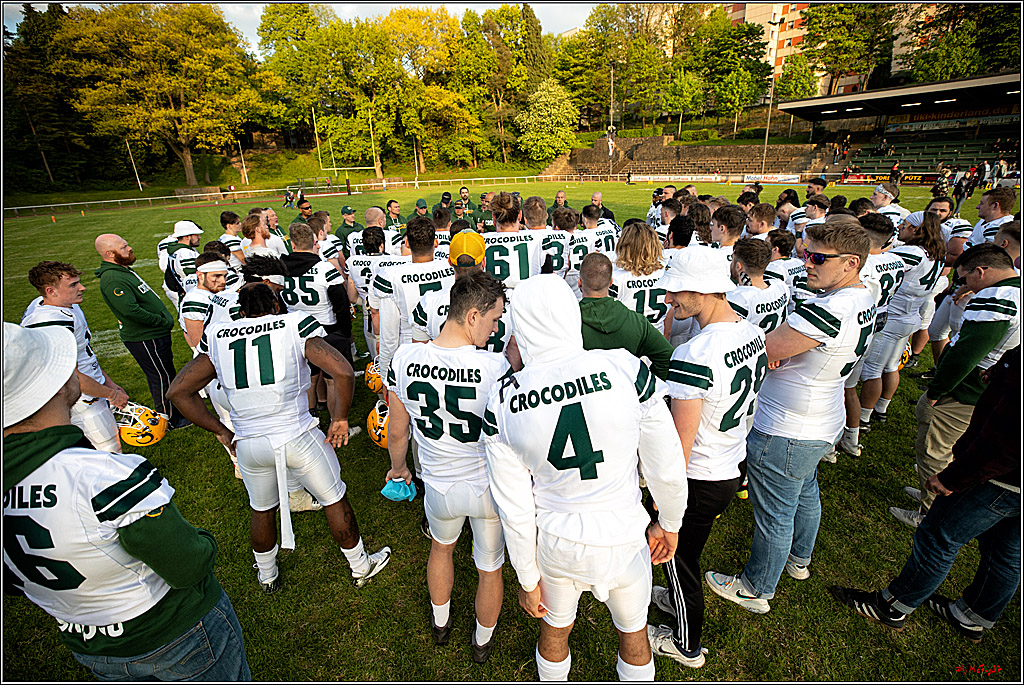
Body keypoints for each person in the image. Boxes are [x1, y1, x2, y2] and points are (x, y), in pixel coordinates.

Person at [3, 322, 250, 681]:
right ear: (50, 386)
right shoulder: (103, 476)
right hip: (172, 632)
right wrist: (206, 540)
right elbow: (188, 564)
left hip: (90, 644)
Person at [482, 274, 688, 681]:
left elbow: (515, 506)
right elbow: (664, 459)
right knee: (634, 632)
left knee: (555, 630)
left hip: (557, 540)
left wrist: (526, 575)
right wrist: (671, 521)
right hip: (623, 534)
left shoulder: (504, 399)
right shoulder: (625, 367)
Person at [167, 282, 391, 591]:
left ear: (241, 311)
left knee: (262, 508)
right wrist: (339, 418)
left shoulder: (218, 334)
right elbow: (340, 369)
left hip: (249, 442)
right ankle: (360, 565)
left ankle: (267, 574)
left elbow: (178, 391)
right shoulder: (294, 322)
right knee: (334, 499)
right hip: (296, 434)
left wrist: (221, 430)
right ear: (276, 305)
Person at [705, 222, 875, 614]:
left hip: (789, 424)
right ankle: (800, 559)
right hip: (822, 413)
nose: (806, 264)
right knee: (804, 489)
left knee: (775, 512)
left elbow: (765, 347)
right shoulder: (862, 293)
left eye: (817, 257)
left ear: (850, 263)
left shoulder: (830, 309)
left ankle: (756, 587)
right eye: (804, 253)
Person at [830, 345, 1019, 642]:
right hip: (1009, 478)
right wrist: (1004, 369)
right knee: (1005, 549)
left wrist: (956, 477)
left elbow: (1008, 439)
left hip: (1001, 479)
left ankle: (893, 606)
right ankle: (973, 614)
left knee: (938, 534)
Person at [648, 246, 768, 669]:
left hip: (701, 473)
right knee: (687, 555)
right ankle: (674, 599)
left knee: (678, 557)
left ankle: (686, 644)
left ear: (702, 290)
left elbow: (679, 448)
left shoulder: (694, 354)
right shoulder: (750, 332)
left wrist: (666, 512)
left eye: (675, 292)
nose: (668, 300)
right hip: (731, 460)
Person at [385, 271, 510, 663]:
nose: (494, 330)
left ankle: (441, 625)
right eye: (493, 320)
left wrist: (399, 468)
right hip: (486, 487)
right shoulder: (495, 367)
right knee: (489, 569)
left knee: (441, 549)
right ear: (472, 316)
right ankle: (482, 642)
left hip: (437, 483)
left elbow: (397, 428)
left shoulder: (405, 357)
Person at [890, 244, 1019, 529]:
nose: (962, 285)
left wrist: (937, 390)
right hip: (988, 387)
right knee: (951, 445)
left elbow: (965, 354)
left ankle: (930, 512)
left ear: (981, 272)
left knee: (934, 448)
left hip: (965, 388)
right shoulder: (1015, 288)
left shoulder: (995, 298)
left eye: (964, 278)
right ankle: (930, 497)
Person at [22, 261, 129, 452]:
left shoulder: (62, 305)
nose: (82, 288)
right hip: (78, 397)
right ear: (50, 291)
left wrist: (107, 382)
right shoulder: (51, 322)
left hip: (87, 389)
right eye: (73, 285)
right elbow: (69, 374)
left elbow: (84, 354)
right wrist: (112, 395)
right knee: (109, 451)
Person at [857, 212, 945, 440]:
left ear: (917, 229)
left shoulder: (911, 252)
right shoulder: (934, 252)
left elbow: (880, 264)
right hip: (911, 315)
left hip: (894, 316)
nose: (900, 228)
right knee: (891, 365)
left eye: (905, 225)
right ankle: (882, 408)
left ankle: (864, 417)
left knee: (873, 370)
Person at [94, 234, 186, 428]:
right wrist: (160, 321)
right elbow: (130, 311)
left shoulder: (122, 271)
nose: (129, 249)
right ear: (110, 253)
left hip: (153, 334)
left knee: (166, 373)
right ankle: (168, 419)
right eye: (124, 247)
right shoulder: (112, 278)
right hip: (145, 337)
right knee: (160, 376)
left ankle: (175, 411)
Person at [281, 223, 354, 420]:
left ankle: (311, 417)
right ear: (313, 243)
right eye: (316, 243)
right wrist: (345, 333)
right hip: (326, 328)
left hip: (296, 330)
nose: (319, 247)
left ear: (293, 245)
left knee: (309, 378)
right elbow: (341, 304)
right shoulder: (324, 269)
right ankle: (335, 420)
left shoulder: (281, 268)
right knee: (331, 379)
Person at [374, 215, 456, 382]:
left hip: (411, 351)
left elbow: (389, 335)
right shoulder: (450, 266)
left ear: (407, 243)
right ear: (435, 242)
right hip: (449, 347)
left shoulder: (392, 275)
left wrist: (385, 375)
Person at [578, 253, 674, 380]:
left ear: (580, 282)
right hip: (626, 393)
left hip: (584, 395)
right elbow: (667, 357)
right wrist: (644, 384)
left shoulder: (566, 321)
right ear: (611, 282)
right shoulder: (637, 322)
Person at [727, 239, 790, 333]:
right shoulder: (781, 286)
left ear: (738, 266)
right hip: (776, 342)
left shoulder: (738, 298)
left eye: (732, 259)